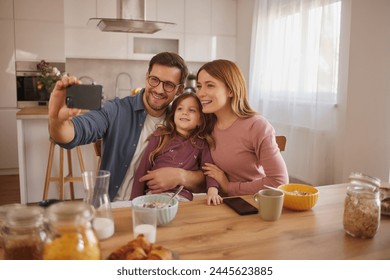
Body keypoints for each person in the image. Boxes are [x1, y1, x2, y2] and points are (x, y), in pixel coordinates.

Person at [48, 52, 204, 201]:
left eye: (169, 85)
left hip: (156, 208)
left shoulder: (184, 124)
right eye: (154, 80)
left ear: (180, 90)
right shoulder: (115, 110)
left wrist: (180, 176)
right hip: (112, 207)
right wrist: (57, 118)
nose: (158, 89)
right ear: (146, 77)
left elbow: (207, 177)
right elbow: (72, 134)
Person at [195, 59, 289, 196]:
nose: (200, 93)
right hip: (217, 202)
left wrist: (229, 187)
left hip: (251, 202)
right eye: (199, 86)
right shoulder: (205, 125)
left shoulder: (257, 126)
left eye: (210, 85)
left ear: (231, 91)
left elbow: (279, 182)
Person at [131, 93, 223, 206]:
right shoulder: (160, 135)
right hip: (153, 195)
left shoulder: (202, 143)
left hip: (181, 197)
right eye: (180, 108)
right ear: (173, 114)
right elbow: (142, 169)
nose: (184, 112)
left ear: (200, 120)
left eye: (192, 110)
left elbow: (209, 170)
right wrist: (133, 202)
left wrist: (212, 191)